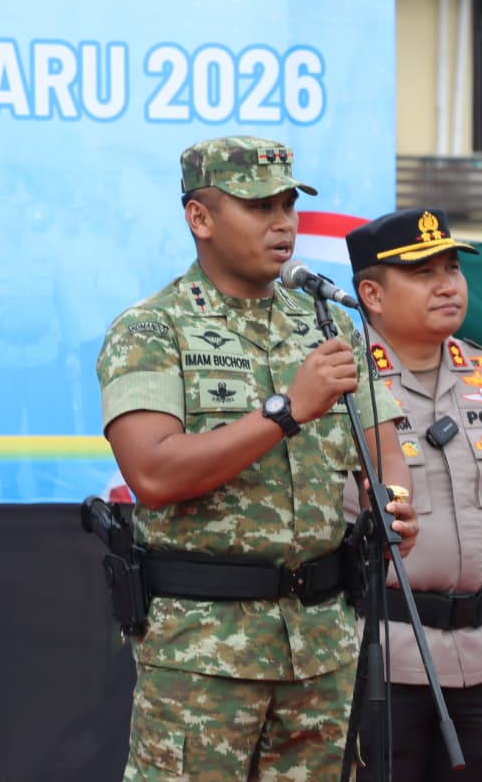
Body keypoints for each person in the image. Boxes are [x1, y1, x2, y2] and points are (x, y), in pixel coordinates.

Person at [96, 135, 417, 780]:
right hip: (202, 653)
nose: (282, 223)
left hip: (322, 648)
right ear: (200, 217)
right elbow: (153, 473)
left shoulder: (327, 325)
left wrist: (395, 506)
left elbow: (384, 451)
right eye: (259, 205)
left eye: (288, 204)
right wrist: (286, 410)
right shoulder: (151, 329)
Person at [344, 207, 482, 780]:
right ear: (372, 294)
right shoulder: (338, 383)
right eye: (423, 272)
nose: (447, 284)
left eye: (452, 267)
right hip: (382, 659)